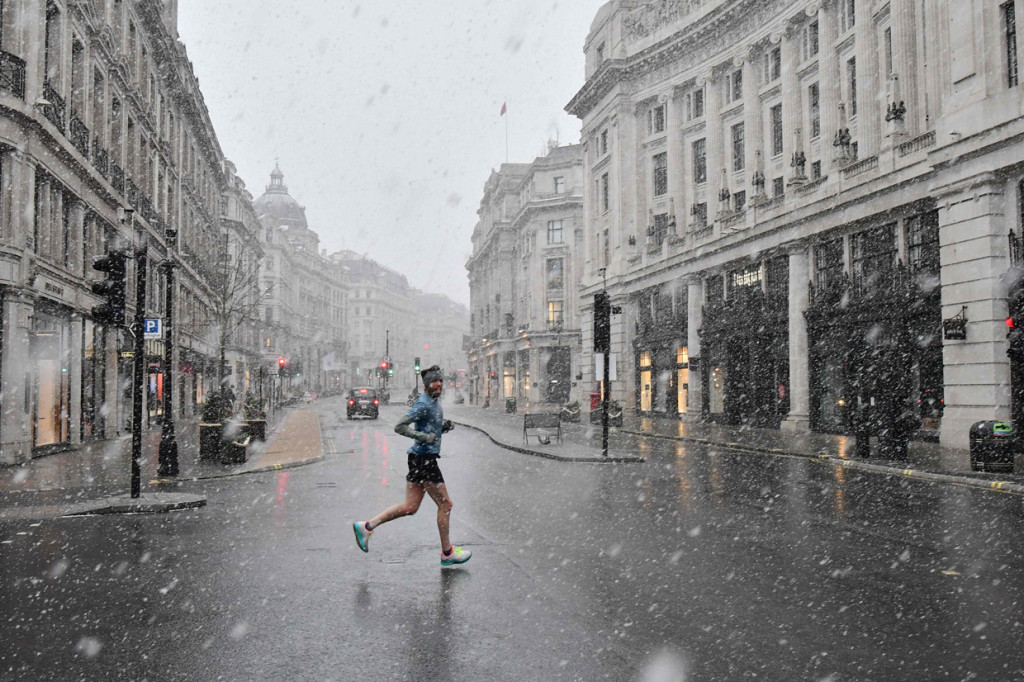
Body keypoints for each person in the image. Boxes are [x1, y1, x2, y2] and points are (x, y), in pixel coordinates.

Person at [352, 365, 471, 567]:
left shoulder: (435, 400)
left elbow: (429, 425)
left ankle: (367, 526)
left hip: (418, 458)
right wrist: (423, 436)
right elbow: (400, 426)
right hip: (424, 459)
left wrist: (442, 428)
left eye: (440, 381)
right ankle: (447, 553)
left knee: (410, 507)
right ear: (427, 385)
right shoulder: (423, 403)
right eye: (434, 381)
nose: (439, 384)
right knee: (446, 505)